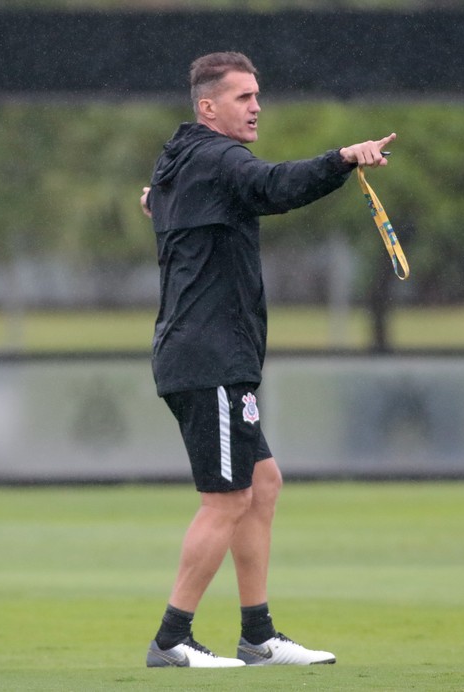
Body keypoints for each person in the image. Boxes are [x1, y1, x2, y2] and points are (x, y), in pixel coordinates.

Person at [139, 52, 395, 668]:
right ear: (208, 107)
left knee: (262, 484)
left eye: (258, 95)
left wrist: (159, 198)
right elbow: (274, 186)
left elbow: (161, 196)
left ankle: (258, 636)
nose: (256, 106)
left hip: (209, 355)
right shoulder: (218, 158)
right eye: (242, 97)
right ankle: (172, 639)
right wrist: (341, 160)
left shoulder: (181, 159)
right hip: (210, 358)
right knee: (225, 500)